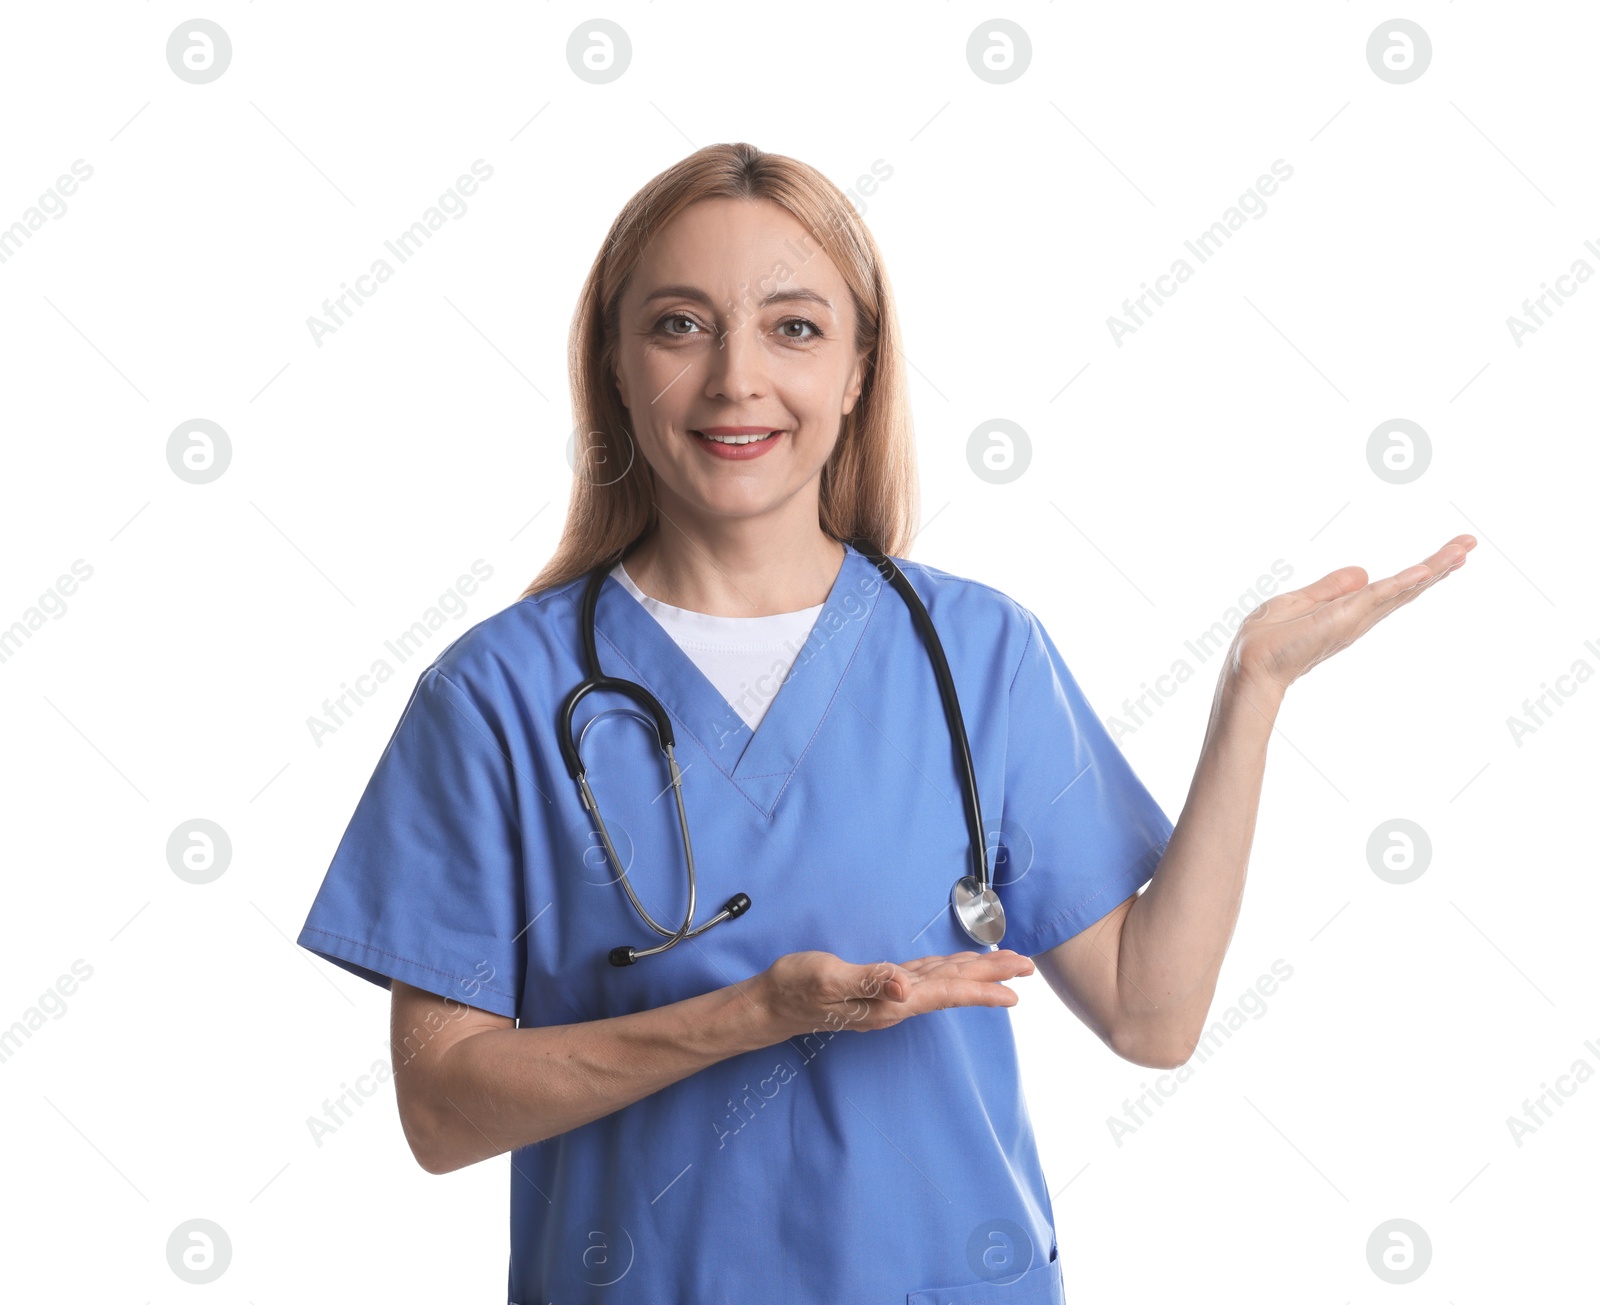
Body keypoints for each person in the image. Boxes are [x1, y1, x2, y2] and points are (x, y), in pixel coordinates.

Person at [295, 142, 1474, 1304]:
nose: (735, 381)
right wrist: (748, 1017)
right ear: (612, 364)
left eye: (794, 328)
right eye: (679, 325)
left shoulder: (977, 656)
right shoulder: (496, 694)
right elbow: (442, 1111)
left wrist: (1250, 696)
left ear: (860, 369)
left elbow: (1152, 1017)